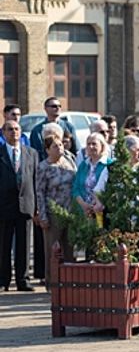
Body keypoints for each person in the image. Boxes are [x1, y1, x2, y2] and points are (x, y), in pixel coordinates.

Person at [0, 119, 36, 291]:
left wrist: (36, 207)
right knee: (3, 245)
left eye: (16, 129)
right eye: (9, 129)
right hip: (4, 206)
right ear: (3, 132)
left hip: (25, 205)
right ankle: (3, 280)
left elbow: (35, 180)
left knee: (23, 245)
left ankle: (23, 279)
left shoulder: (31, 153)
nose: (13, 132)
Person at [34, 130, 76, 271]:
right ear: (47, 150)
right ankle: (52, 283)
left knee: (70, 250)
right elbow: (40, 193)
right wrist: (43, 216)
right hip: (53, 214)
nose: (60, 148)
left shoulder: (70, 162)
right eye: (55, 146)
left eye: (61, 145)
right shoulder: (43, 167)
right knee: (53, 251)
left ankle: (70, 282)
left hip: (70, 212)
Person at [72, 133, 111, 219]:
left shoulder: (109, 165)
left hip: (101, 211)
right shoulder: (83, 165)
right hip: (83, 211)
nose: (90, 146)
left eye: (94, 144)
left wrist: (96, 204)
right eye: (88, 144)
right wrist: (83, 205)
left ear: (102, 146)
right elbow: (75, 187)